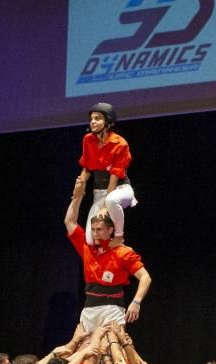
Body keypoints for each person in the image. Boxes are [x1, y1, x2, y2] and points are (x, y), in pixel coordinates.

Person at [65, 191, 152, 331]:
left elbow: (145, 277)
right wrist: (78, 196)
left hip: (113, 308)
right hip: (89, 308)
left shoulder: (122, 252)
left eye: (99, 229)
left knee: (111, 347)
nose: (94, 234)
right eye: (92, 230)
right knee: (86, 350)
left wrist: (136, 302)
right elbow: (69, 222)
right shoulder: (87, 247)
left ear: (111, 229)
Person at [74, 102, 137, 245]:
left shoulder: (120, 143)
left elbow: (115, 175)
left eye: (97, 118)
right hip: (99, 193)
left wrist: (105, 207)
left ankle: (119, 236)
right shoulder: (88, 140)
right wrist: (80, 184)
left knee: (110, 201)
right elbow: (87, 167)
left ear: (108, 121)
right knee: (91, 240)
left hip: (120, 190)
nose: (93, 122)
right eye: (91, 119)